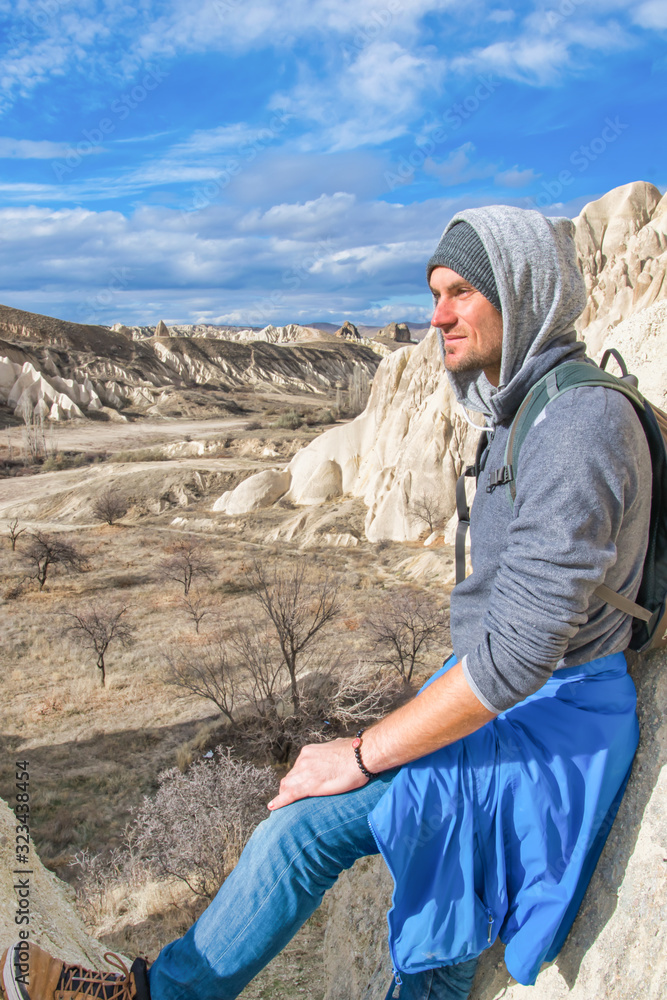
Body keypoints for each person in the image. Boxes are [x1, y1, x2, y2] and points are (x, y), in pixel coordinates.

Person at [3, 206, 651, 1000]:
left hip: (554, 716)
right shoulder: (529, 411)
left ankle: (152, 996)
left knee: (324, 840)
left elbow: (520, 651)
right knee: (421, 913)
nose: (436, 315)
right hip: (518, 701)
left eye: (460, 293)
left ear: (520, 291)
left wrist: (361, 752)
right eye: (433, 292)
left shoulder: (576, 421)